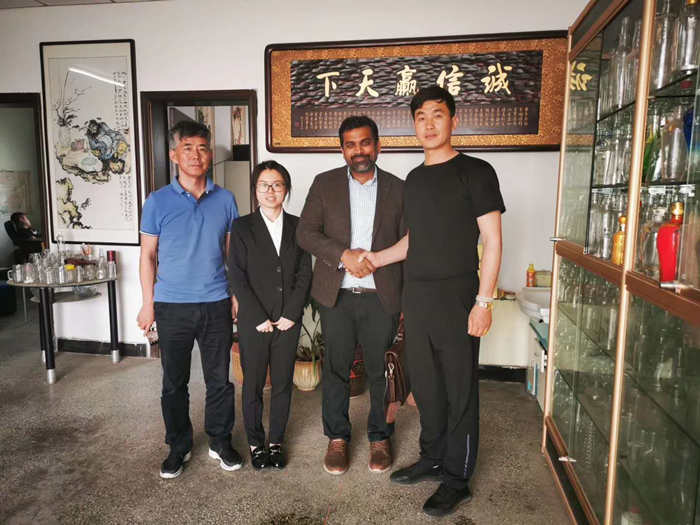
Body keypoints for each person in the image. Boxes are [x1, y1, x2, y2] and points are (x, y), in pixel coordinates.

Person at [362, 86, 505, 517]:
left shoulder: (476, 172)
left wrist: (483, 302)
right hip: (418, 295)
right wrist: (376, 259)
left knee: (459, 388)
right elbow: (414, 240)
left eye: (437, 115)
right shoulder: (415, 179)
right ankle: (433, 457)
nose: (428, 124)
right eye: (421, 116)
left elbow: (493, 241)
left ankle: (457, 478)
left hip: (458, 295)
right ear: (414, 124)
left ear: (453, 121)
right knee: (425, 385)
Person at [296, 115, 405, 475]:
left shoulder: (399, 189)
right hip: (337, 295)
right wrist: (343, 256)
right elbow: (305, 233)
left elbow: (411, 242)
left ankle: (380, 437)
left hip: (381, 295)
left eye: (365, 142)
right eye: (350, 144)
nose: (359, 150)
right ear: (342, 149)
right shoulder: (324, 184)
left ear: (378, 145)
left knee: (381, 371)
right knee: (336, 369)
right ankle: (337, 437)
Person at [137, 120, 243, 479]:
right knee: (174, 382)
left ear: (209, 154)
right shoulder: (157, 201)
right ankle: (178, 446)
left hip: (215, 302)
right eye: (188, 148)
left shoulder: (225, 199)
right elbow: (147, 255)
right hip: (171, 305)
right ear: (174, 155)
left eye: (202, 148)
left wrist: (235, 295)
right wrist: (148, 303)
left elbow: (231, 254)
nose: (196, 155)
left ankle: (220, 440)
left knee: (219, 380)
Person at [228, 160, 312, 470]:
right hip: (255, 321)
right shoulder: (242, 227)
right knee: (252, 384)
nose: (270, 190)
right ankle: (255, 443)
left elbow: (304, 274)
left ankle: (276, 442)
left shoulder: (299, 226)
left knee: (282, 383)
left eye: (277, 184)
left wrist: (292, 313)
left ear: (286, 189)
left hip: (287, 321)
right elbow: (237, 275)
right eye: (264, 185)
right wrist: (256, 316)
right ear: (255, 190)